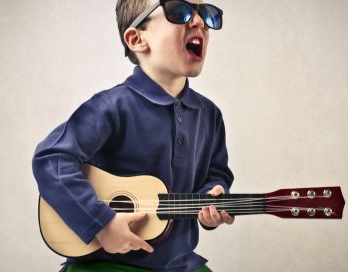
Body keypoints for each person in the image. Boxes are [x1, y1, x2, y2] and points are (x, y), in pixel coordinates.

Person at [32, 0, 234, 271]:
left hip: (179, 264)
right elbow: (51, 159)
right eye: (180, 11)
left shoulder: (210, 115)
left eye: (206, 13)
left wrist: (213, 198)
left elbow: (216, 174)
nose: (199, 22)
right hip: (105, 262)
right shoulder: (111, 107)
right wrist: (101, 223)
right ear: (137, 39)